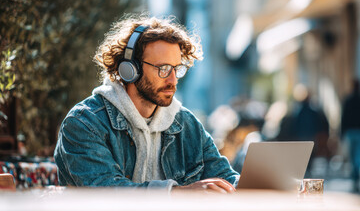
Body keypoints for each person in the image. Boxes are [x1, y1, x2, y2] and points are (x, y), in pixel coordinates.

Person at [53, 15, 239, 193]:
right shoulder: (84, 123)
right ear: (130, 69)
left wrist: (255, 187)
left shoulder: (186, 125)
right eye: (163, 69)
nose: (173, 80)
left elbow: (226, 179)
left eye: (177, 69)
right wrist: (178, 193)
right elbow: (106, 192)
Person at [341, 79, 360, 192]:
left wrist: (342, 133)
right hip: (357, 131)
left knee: (353, 157)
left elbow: (344, 118)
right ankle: (355, 177)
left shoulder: (348, 100)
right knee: (357, 156)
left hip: (351, 132)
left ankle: (355, 177)